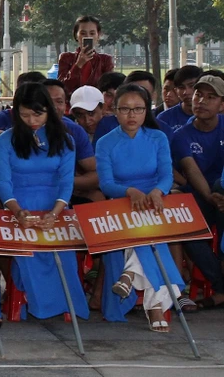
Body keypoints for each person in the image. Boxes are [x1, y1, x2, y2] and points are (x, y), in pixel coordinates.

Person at [0, 83, 89, 321]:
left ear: (48, 110)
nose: (31, 121)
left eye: (37, 114)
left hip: (55, 206)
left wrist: (55, 212)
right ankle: (37, 303)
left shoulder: (65, 140)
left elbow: (66, 183)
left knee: (63, 259)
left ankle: (66, 304)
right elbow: (4, 183)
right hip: (19, 207)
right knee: (29, 257)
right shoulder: (6, 140)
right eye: (25, 115)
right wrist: (17, 212)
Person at [95, 84, 183, 330]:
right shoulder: (105, 143)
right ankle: (155, 308)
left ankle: (131, 274)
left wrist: (157, 191)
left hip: (155, 201)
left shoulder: (157, 138)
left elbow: (166, 175)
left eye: (138, 109)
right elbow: (106, 183)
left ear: (147, 111)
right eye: (125, 109)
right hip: (122, 201)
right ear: (114, 110)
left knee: (149, 232)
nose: (131, 115)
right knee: (147, 238)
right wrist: (130, 192)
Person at [169, 75, 224, 309]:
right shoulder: (182, 135)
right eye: (198, 95)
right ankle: (221, 286)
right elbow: (191, 171)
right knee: (187, 229)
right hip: (200, 195)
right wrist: (211, 197)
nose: (201, 101)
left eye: (211, 97)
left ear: (222, 105)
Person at [58, 15, 114, 94]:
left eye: (92, 33)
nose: (88, 36)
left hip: (97, 100)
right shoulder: (66, 57)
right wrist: (78, 65)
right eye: (83, 33)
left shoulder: (105, 60)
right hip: (72, 100)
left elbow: (109, 87)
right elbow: (62, 86)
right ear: (76, 35)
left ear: (98, 35)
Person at [157, 65, 202, 136]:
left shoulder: (213, 116)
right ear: (176, 90)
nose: (186, 92)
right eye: (181, 87)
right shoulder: (164, 119)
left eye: (191, 86)